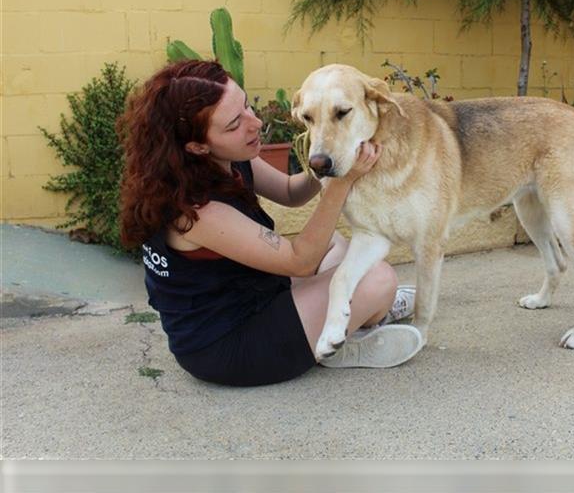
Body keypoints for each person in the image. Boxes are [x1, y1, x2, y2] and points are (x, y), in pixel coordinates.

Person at [118, 59, 420, 387]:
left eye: (247, 106)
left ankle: (349, 322)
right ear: (197, 145)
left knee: (332, 244)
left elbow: (290, 192)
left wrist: (332, 158)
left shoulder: (221, 160)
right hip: (231, 346)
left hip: (252, 293)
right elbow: (299, 261)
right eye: (235, 124)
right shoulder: (197, 212)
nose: (256, 122)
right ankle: (347, 338)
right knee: (376, 278)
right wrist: (343, 182)